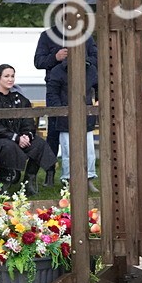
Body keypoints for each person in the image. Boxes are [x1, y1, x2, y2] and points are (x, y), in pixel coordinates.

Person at [34, 26, 98, 186]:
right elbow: (38, 62)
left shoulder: (85, 35)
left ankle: (87, 175)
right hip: (56, 88)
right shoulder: (48, 35)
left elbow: (97, 58)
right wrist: (55, 57)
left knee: (86, 133)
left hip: (82, 88)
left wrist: (80, 58)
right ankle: (50, 172)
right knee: (54, 133)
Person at [0, 64, 57, 195]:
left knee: (38, 144)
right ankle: (5, 181)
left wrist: (27, 135)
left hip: (19, 136)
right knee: (9, 147)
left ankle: (29, 181)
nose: (10, 79)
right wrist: (16, 138)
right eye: (6, 76)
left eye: (12, 76)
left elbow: (28, 120)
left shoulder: (20, 97)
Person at [46, 56, 98, 195]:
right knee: (68, 150)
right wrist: (61, 111)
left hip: (86, 116)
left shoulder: (91, 69)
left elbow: (100, 86)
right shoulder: (57, 71)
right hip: (65, 118)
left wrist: (99, 101)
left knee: (89, 151)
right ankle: (69, 180)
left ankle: (89, 179)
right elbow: (52, 93)